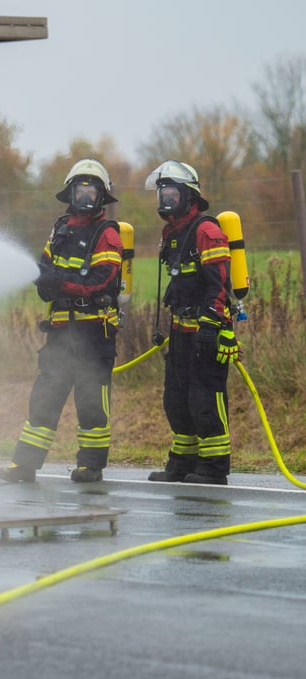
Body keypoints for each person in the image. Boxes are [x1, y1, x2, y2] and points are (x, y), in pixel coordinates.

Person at [0, 158, 124, 484]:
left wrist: (61, 282)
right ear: (70, 192)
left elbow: (102, 279)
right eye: (79, 189)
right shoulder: (60, 228)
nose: (85, 196)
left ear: (101, 196)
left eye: (91, 190)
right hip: (61, 333)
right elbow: (45, 268)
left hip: (94, 334)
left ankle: (91, 467)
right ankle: (24, 465)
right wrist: (44, 280)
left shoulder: (107, 233)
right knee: (45, 397)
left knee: (92, 402)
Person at [144, 160, 238, 485]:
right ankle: (182, 462)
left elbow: (218, 284)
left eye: (171, 193)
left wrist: (211, 326)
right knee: (176, 398)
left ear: (189, 196)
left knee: (204, 398)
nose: (165, 200)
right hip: (180, 331)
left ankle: (213, 467)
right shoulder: (172, 234)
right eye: (162, 194)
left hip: (206, 332)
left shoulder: (206, 231)